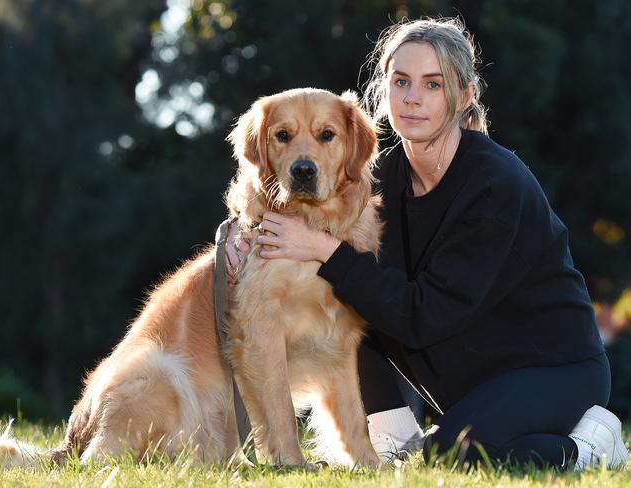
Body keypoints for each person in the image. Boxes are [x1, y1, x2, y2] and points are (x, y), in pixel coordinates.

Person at [224, 17, 628, 470]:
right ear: (385, 89)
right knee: (352, 291)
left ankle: (589, 449)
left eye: (432, 84)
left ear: (465, 96)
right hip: (465, 380)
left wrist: (322, 249)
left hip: (551, 369)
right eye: (401, 82)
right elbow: (291, 211)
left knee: (451, 453)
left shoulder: (497, 187)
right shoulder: (377, 178)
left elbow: (425, 316)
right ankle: (391, 434)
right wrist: (244, 233)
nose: (413, 97)